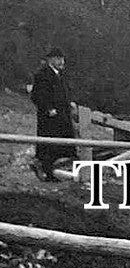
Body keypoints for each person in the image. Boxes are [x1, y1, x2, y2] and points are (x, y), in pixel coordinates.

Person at [28, 46, 75, 181]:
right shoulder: (42, 75)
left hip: (63, 115)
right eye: (58, 59)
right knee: (49, 146)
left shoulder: (61, 75)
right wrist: (48, 108)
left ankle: (58, 172)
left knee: (63, 145)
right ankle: (47, 172)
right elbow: (37, 96)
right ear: (50, 60)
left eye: (62, 59)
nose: (61, 62)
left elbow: (64, 93)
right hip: (50, 118)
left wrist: (69, 103)